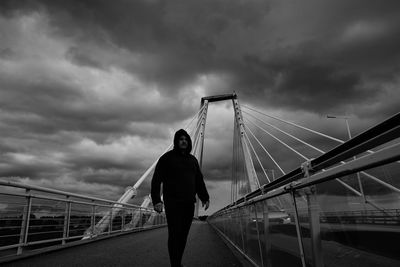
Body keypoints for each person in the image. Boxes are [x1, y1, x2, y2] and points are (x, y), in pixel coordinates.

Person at [151, 129, 210, 267]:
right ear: (176, 141)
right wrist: (157, 201)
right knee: (174, 234)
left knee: (183, 236)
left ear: (188, 142)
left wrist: (205, 197)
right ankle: (175, 264)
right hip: (173, 203)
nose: (184, 141)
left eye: (186, 139)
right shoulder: (166, 158)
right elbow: (156, 181)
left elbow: (199, 181)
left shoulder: (193, 160)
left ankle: (177, 262)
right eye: (181, 139)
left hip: (189, 204)